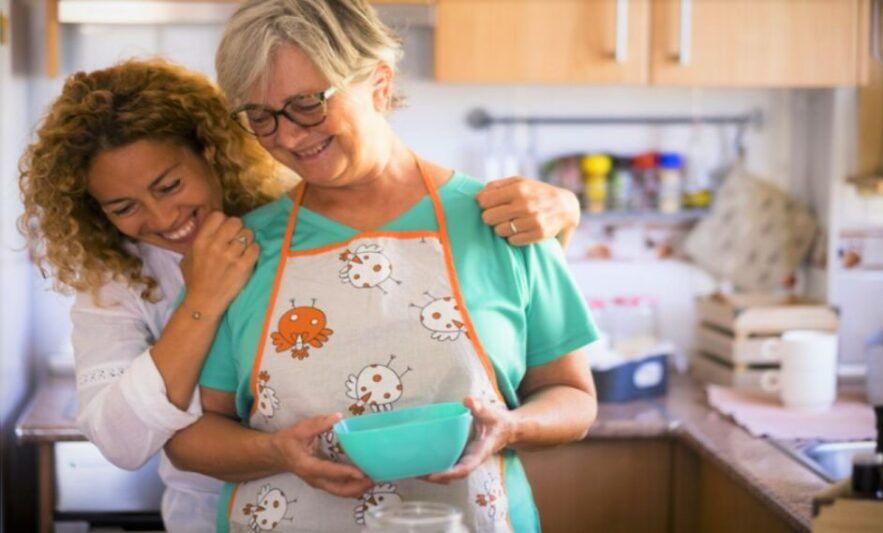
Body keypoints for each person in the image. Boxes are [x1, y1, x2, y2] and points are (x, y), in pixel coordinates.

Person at [17, 58, 583, 531]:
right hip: (212, 510)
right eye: (124, 207)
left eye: (170, 185)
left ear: (210, 152)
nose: (163, 217)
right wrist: (204, 299)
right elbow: (122, 439)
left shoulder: (290, 223)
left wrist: (566, 211)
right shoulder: (115, 281)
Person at [163, 1, 600, 531]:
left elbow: (574, 397)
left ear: (378, 81)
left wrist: (511, 427)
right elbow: (192, 437)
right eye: (261, 116)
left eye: (307, 103)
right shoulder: (242, 248)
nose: (289, 136)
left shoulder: (505, 220)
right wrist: (280, 453)